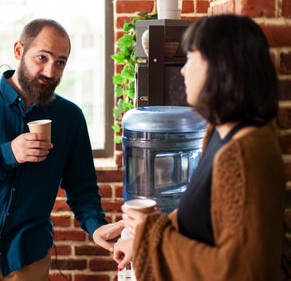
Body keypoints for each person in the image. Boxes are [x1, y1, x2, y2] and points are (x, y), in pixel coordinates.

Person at [0, 18, 122, 280]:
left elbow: (82, 188)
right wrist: (9, 153)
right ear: (18, 51)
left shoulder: (70, 117)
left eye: (60, 62)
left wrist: (97, 227)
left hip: (26, 258)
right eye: (42, 57)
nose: (50, 71)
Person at [113, 14, 286, 280]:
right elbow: (198, 213)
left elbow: (241, 270)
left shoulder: (244, 154)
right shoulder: (218, 132)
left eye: (191, 57)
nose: (182, 69)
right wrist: (139, 241)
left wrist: (150, 234)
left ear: (221, 66)